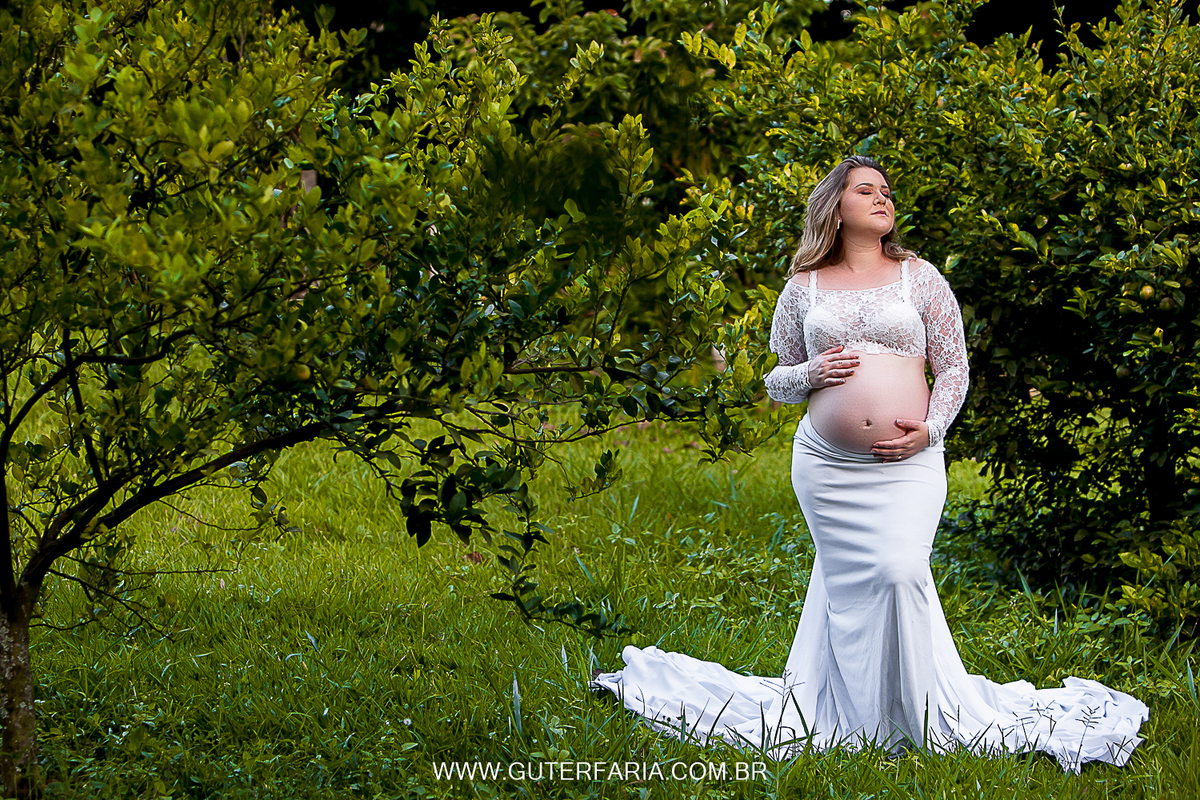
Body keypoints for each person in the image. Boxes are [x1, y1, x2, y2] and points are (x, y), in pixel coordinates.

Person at [589, 156, 1149, 772]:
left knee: (898, 571)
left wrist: (930, 430)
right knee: (850, 586)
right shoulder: (804, 287)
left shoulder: (920, 278)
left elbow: (955, 367)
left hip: (909, 462)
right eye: (866, 190)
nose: (882, 198)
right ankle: (858, 718)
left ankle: (920, 711)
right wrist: (810, 373)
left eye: (887, 190)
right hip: (827, 467)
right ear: (836, 207)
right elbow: (776, 379)